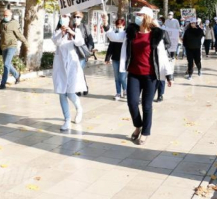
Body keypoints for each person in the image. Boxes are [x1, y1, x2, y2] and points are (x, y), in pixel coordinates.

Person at [107, 7, 173, 145]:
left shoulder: (156, 34)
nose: (137, 17)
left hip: (151, 76)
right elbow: (114, 37)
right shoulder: (130, 32)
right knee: (131, 102)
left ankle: (145, 132)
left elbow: (162, 56)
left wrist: (168, 75)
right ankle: (138, 126)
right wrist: (106, 24)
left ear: (147, 17)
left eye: (140, 15)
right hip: (134, 74)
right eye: (136, 15)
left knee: (146, 105)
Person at [52, 13, 85, 131]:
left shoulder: (75, 30)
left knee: (71, 92)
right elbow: (56, 42)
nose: (63, 18)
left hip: (72, 64)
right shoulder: (57, 31)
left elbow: (80, 42)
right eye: (62, 16)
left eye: (66, 16)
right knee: (61, 93)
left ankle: (79, 108)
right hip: (60, 65)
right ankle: (67, 119)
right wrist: (62, 33)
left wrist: (72, 32)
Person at [0, 9, 28, 89]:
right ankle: (17, 75)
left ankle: (3, 83)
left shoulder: (14, 23)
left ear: (11, 15)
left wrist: (26, 43)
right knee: (7, 64)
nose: (5, 17)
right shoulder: (2, 22)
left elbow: (19, 35)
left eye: (6, 15)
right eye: (4, 15)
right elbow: (0, 33)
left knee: (6, 64)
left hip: (12, 46)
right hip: (3, 46)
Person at [72, 11, 94, 97]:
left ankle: (83, 87)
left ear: (81, 18)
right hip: (72, 53)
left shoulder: (84, 27)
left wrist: (88, 51)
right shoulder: (70, 27)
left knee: (79, 70)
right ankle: (78, 88)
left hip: (82, 53)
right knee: (76, 71)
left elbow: (90, 39)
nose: (76, 18)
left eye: (78, 17)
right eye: (74, 16)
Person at [105, 19, 127, 101]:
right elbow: (110, 47)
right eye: (117, 26)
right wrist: (107, 58)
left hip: (123, 59)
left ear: (123, 26)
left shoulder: (125, 35)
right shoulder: (114, 35)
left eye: (120, 26)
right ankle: (118, 92)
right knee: (117, 78)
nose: (118, 28)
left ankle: (125, 89)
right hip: (115, 59)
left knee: (122, 77)